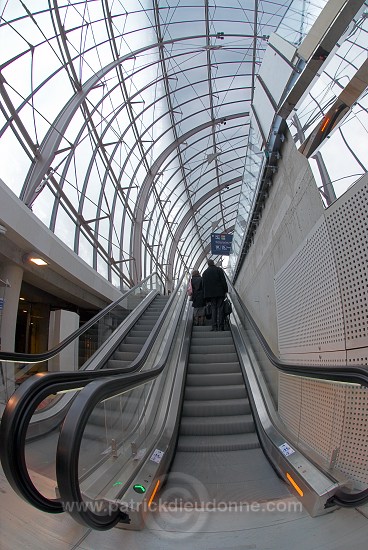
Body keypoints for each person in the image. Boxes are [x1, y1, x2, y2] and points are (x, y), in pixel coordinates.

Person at [202, 259, 228, 331]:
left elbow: (204, 285)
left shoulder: (205, 273)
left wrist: (205, 296)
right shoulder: (219, 270)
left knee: (213, 309)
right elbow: (223, 281)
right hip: (220, 293)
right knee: (220, 308)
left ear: (208, 264)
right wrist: (226, 290)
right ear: (213, 263)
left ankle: (214, 326)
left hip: (211, 295)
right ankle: (221, 326)